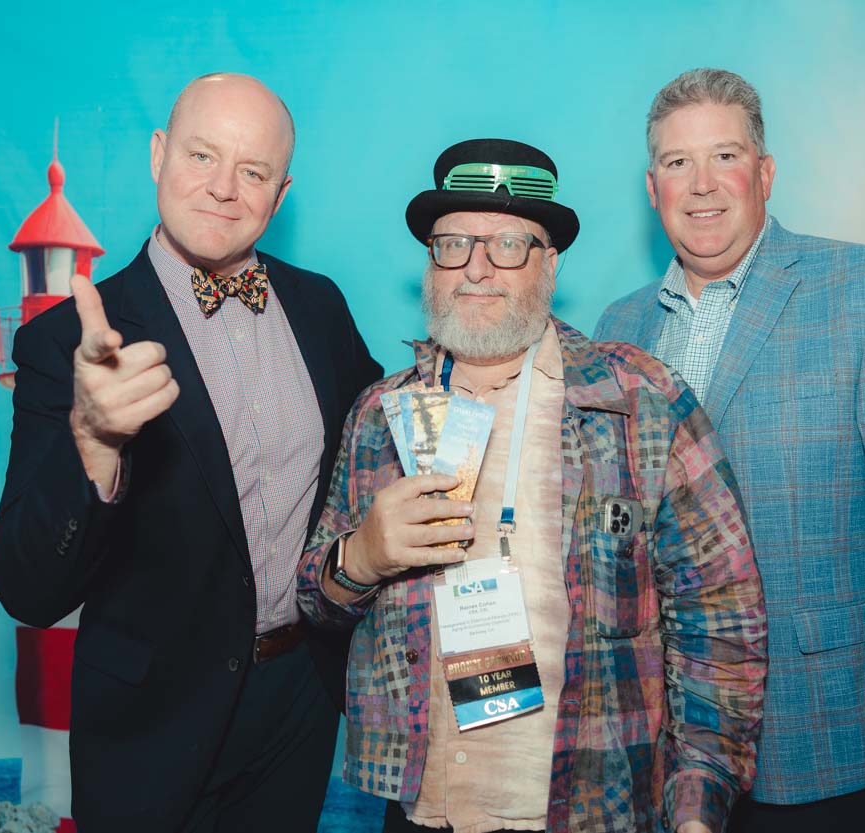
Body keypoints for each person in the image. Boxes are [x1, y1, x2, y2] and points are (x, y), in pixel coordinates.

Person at [596, 68, 865, 833]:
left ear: (765, 173)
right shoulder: (618, 327)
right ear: (652, 186)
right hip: (647, 742)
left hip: (812, 738)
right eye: (677, 162)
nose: (702, 184)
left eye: (725, 156)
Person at [296, 138, 767, 833]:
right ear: (430, 262)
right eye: (453, 243)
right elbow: (314, 599)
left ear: (550, 263)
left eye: (510, 245)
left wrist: (698, 805)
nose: (476, 268)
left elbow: (719, 613)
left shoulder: (637, 400)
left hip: (592, 807)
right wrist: (358, 558)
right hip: (422, 810)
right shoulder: (380, 413)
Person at [0, 73, 382, 833]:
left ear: (280, 193)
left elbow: (379, 438)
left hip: (299, 702)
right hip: (150, 722)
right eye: (202, 155)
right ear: (158, 155)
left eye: (253, 171)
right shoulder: (63, 341)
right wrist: (95, 442)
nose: (224, 188)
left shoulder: (320, 306)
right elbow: (26, 589)